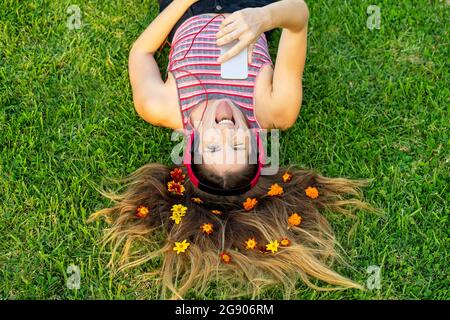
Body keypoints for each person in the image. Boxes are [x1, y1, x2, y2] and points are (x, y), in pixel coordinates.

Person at [90, 0, 377, 299]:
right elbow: (299, 16)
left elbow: (141, 52)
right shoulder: (274, 111)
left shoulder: (163, 106)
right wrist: (262, 18)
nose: (227, 132)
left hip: (188, 11)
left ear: (191, 145)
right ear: (256, 144)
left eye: (213, 147)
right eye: (239, 145)